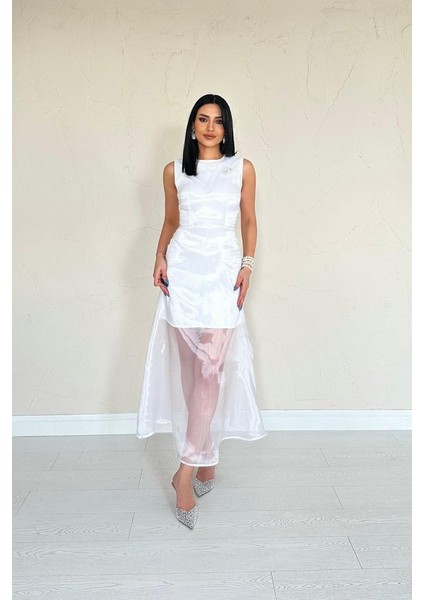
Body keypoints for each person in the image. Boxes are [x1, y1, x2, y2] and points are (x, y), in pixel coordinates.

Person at [136, 93, 267, 529]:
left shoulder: (241, 168)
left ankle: (184, 473)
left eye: (218, 120)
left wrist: (248, 264)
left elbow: (249, 220)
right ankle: (206, 456)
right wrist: (160, 256)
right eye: (203, 119)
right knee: (193, 372)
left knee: (212, 369)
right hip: (184, 272)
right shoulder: (174, 171)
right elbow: (171, 221)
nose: (211, 127)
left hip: (223, 272)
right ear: (192, 127)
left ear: (226, 128)